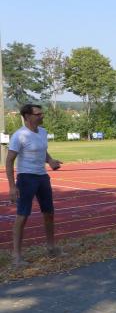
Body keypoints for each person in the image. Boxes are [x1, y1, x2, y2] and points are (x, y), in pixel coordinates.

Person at [5, 104, 62, 267]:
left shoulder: (43, 132)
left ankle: (51, 248)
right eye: (38, 114)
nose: (42, 116)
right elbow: (9, 161)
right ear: (27, 116)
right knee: (22, 216)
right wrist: (12, 186)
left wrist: (50, 161)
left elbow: (43, 151)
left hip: (42, 177)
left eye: (41, 113)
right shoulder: (19, 135)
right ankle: (16, 256)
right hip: (26, 178)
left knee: (49, 213)